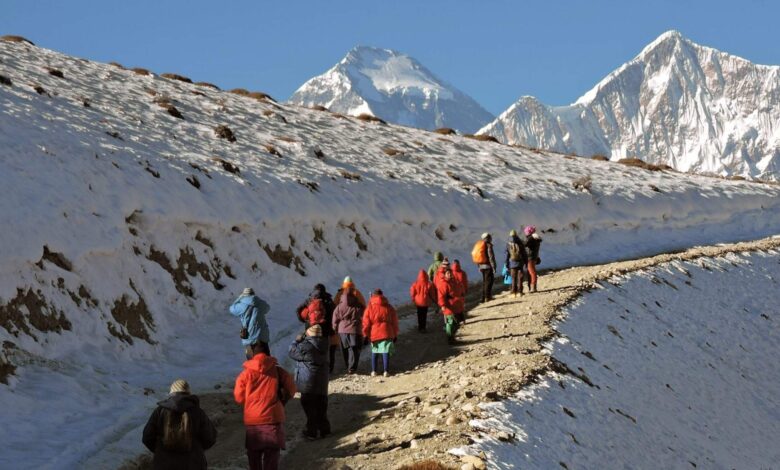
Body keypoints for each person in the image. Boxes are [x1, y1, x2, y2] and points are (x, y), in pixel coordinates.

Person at [234, 343, 296, 470]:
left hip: (253, 422)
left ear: (252, 354)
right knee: (271, 460)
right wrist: (282, 400)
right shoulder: (279, 371)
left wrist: (251, 404)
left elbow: (239, 397)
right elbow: (292, 390)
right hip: (273, 420)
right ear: (268, 353)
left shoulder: (245, 375)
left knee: (254, 460)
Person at [142, 379, 217, 470]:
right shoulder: (197, 412)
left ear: (171, 393)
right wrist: (197, 448)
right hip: (193, 463)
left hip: (164, 463)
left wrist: (160, 450)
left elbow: (147, 437)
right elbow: (210, 438)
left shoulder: (160, 411)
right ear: (188, 393)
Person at [288, 324, 331, 439]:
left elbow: (292, 352)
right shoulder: (325, 344)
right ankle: (324, 430)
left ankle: (311, 431)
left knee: (309, 407)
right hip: (322, 382)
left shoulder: (305, 346)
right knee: (321, 407)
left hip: (308, 382)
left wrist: (296, 341)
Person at [296, 284, 338, 373]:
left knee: (312, 347)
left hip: (310, 328)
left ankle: (313, 368)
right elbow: (335, 313)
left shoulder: (309, 299)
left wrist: (305, 320)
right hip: (325, 328)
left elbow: (298, 310)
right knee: (326, 350)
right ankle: (328, 370)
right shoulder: (328, 299)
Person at [361, 289, 399, 377]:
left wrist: (365, 334)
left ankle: (374, 371)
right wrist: (395, 334)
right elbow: (395, 322)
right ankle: (386, 371)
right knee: (385, 351)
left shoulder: (369, 307)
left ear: (373, 296)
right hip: (387, 331)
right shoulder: (389, 307)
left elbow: (366, 322)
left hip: (374, 332)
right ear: (382, 295)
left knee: (375, 351)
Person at [230, 288, 270, 359]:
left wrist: (239, 298)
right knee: (267, 363)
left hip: (249, 339)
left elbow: (231, 308)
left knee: (252, 365)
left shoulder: (241, 306)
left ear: (244, 295)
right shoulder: (260, 303)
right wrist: (257, 299)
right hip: (262, 338)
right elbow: (267, 308)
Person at [332, 288, 365, 373]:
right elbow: (364, 314)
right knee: (353, 348)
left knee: (344, 349)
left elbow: (335, 318)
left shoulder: (339, 306)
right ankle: (352, 367)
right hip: (354, 329)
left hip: (342, 330)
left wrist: (335, 327)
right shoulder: (357, 305)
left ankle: (348, 365)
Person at [437, 269, 463, 344]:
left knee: (456, 323)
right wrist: (442, 305)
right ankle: (450, 338)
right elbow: (441, 296)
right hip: (449, 306)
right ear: (444, 274)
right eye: (448, 273)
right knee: (451, 323)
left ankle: (452, 337)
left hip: (456, 305)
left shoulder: (453, 281)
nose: (450, 274)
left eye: (450, 273)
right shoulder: (444, 284)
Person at [472, 233, 496, 303]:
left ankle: (484, 297)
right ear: (488, 238)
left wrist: (479, 266)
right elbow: (491, 257)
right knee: (489, 282)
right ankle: (487, 297)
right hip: (487, 266)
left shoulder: (480, 244)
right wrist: (493, 266)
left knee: (485, 282)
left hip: (481, 266)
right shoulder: (488, 245)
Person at [505, 229, 528, 296]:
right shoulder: (520, 243)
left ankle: (513, 292)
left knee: (513, 278)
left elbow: (507, 255)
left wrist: (506, 263)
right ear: (516, 234)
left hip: (512, 263)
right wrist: (526, 263)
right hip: (520, 263)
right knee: (520, 277)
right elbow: (524, 254)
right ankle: (520, 292)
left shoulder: (508, 244)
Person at [524, 226, 543, 293]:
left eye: (526, 232)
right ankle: (532, 287)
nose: (525, 234)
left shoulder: (531, 238)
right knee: (531, 272)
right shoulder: (535, 238)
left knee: (532, 272)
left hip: (530, 258)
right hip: (533, 257)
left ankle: (533, 287)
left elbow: (525, 244)